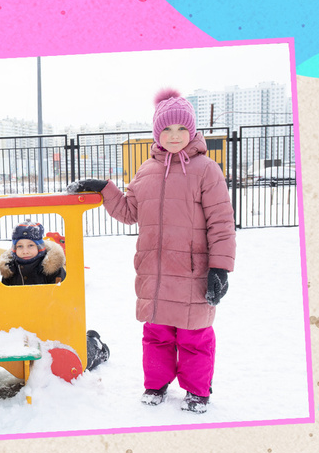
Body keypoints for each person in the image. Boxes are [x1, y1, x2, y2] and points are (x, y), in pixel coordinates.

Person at [73, 88, 237, 413]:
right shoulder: (146, 171)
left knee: (194, 336)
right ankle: (156, 384)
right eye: (166, 129)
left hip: (194, 273)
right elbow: (129, 211)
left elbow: (221, 222)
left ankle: (197, 391)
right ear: (156, 133)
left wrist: (220, 268)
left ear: (191, 131)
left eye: (181, 129)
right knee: (157, 334)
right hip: (154, 273)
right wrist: (104, 188)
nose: (174, 136)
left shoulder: (206, 170)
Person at [0, 221, 66, 286]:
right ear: (15, 249)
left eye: (30, 245)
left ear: (39, 247)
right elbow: (4, 295)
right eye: (20, 246)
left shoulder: (52, 267)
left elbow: (61, 293)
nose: (25, 251)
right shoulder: (10, 268)